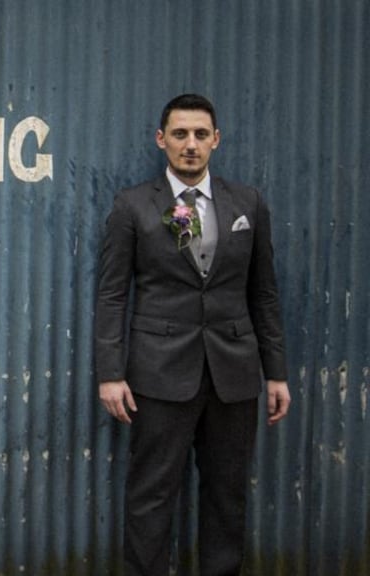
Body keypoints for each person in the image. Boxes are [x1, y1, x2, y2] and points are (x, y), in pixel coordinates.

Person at [94, 94, 291, 575]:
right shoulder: (134, 206)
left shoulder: (247, 203)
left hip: (233, 373)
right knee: (151, 493)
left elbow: (263, 293)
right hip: (159, 373)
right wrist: (110, 374)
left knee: (227, 494)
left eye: (201, 134)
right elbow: (112, 295)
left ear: (216, 140)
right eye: (180, 134)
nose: (190, 144)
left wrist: (276, 373)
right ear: (161, 140)